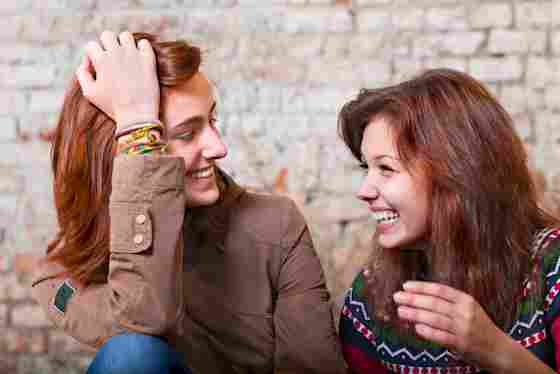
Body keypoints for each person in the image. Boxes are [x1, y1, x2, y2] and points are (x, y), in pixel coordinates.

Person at [31, 31, 346, 374]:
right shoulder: (60, 277)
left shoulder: (276, 224)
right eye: (186, 133)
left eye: (212, 120)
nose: (218, 147)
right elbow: (143, 319)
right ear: (118, 151)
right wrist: (139, 127)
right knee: (132, 354)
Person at [337, 68, 560, 373]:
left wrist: (496, 351)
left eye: (386, 169)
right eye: (367, 168)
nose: (364, 191)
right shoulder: (368, 297)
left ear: (456, 174)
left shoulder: (552, 269)